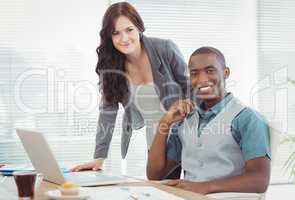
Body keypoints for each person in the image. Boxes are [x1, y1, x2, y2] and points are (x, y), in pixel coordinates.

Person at [72, 2, 188, 174]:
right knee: (161, 192)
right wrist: (99, 158)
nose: (124, 38)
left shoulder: (164, 49)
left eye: (129, 30)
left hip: (186, 138)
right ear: (109, 37)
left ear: (139, 28)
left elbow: (190, 88)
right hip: (156, 143)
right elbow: (107, 114)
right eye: (116, 33)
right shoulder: (112, 67)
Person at [147, 46, 271, 194]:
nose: (202, 79)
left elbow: (259, 180)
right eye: (194, 73)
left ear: (225, 73)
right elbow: (155, 175)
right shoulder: (185, 119)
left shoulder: (247, 118)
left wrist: (203, 188)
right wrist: (165, 122)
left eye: (210, 71)